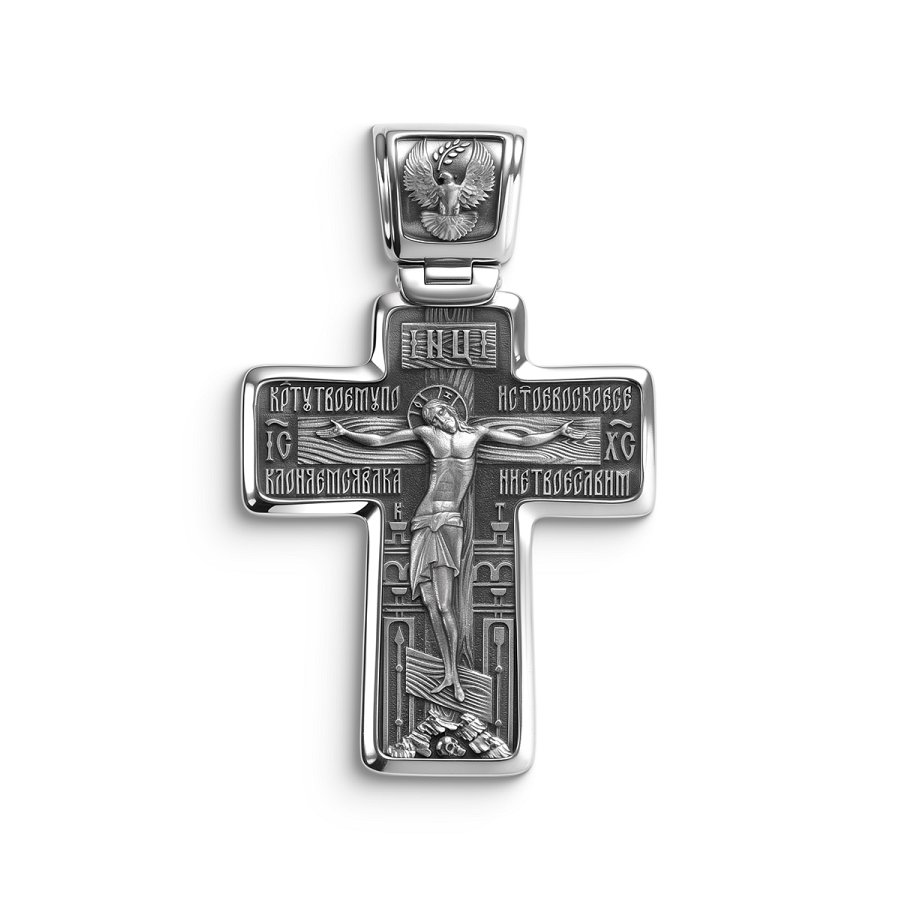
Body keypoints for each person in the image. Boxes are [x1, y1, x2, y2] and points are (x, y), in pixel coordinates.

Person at [318, 400, 584, 701]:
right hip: (423, 519)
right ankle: (449, 674)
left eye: (441, 412)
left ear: (451, 410)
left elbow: (522, 441)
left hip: (449, 522)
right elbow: (380, 441)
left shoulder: (477, 434)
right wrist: (344, 433)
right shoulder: (428, 435)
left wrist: (557, 433)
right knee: (430, 602)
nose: (439, 420)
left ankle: (454, 674)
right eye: (432, 418)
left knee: (445, 604)